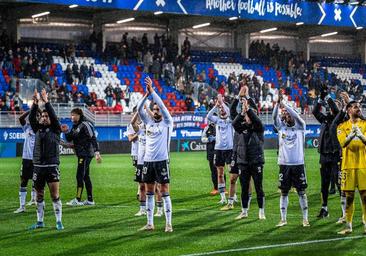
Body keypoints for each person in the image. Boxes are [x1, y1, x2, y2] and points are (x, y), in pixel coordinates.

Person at [137, 77, 173, 232]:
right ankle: (150, 223)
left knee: (164, 191)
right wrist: (146, 95)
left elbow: (164, 106)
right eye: (155, 109)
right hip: (148, 161)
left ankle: (168, 223)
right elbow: (139, 110)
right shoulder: (148, 122)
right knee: (150, 192)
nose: (157, 111)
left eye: (158, 110)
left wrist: (153, 91)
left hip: (162, 161)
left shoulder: (167, 122)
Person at [28, 89, 64, 230]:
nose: (44, 118)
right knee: (39, 195)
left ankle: (59, 221)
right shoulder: (37, 129)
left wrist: (47, 102)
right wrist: (35, 104)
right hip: (38, 166)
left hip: (52, 166)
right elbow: (31, 118)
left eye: (46, 116)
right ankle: (40, 221)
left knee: (55, 195)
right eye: (42, 116)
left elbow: (54, 118)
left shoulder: (56, 129)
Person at [273, 94, 309, 227]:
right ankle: (283, 219)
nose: (286, 116)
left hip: (298, 164)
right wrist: (278, 104)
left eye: (288, 114)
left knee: (301, 192)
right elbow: (273, 117)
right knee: (284, 192)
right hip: (284, 164)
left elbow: (298, 117)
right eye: (285, 114)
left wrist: (286, 105)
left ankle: (305, 219)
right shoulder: (281, 127)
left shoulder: (300, 127)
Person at [232, 97, 265, 220]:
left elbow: (257, 121)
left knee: (258, 187)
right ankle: (244, 211)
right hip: (243, 162)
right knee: (244, 188)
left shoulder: (258, 128)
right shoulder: (242, 127)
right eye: (247, 116)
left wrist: (248, 109)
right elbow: (234, 124)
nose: (248, 118)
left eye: (249, 116)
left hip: (256, 161)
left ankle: (261, 211)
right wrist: (242, 112)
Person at [336, 100, 366, 235]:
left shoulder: (365, 124)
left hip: (363, 165)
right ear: (349, 110)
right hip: (348, 166)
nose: (358, 109)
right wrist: (352, 135)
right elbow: (343, 143)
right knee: (349, 197)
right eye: (355, 107)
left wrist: (361, 135)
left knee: (365, 197)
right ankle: (348, 226)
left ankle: (365, 224)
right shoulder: (342, 126)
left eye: (358, 107)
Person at [61, 108, 101, 206]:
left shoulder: (86, 124)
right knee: (85, 176)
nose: (72, 117)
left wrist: (97, 152)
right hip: (82, 154)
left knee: (79, 176)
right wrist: (66, 132)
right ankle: (90, 200)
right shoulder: (75, 126)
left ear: (79, 115)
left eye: (74, 115)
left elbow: (93, 138)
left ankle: (78, 199)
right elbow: (70, 138)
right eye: (71, 115)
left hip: (86, 154)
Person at [312, 84, 340, 218]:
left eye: (332, 107)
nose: (329, 109)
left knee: (340, 184)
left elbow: (335, 109)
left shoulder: (339, 119)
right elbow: (315, 112)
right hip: (324, 155)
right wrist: (320, 98)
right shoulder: (325, 119)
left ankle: (345, 210)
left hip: (335, 155)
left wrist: (328, 97)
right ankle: (324, 209)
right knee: (324, 184)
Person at [207, 94, 234, 205]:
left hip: (230, 149)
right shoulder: (217, 120)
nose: (221, 110)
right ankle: (222, 197)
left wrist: (221, 102)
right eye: (220, 109)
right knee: (220, 174)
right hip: (218, 150)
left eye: (223, 109)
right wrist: (216, 106)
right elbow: (208, 116)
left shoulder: (231, 120)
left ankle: (234, 195)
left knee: (232, 174)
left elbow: (228, 110)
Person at [14, 111, 37, 213]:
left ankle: (34, 199)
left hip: (37, 159)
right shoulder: (27, 127)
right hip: (26, 159)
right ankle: (22, 206)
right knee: (24, 180)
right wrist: (31, 110)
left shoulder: (40, 129)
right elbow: (20, 119)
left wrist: (38, 110)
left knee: (36, 181)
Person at [201, 121, 218, 195]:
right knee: (213, 170)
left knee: (220, 169)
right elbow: (202, 138)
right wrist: (208, 139)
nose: (212, 120)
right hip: (210, 151)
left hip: (218, 150)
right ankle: (215, 188)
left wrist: (215, 138)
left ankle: (223, 188)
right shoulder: (206, 128)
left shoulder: (219, 126)